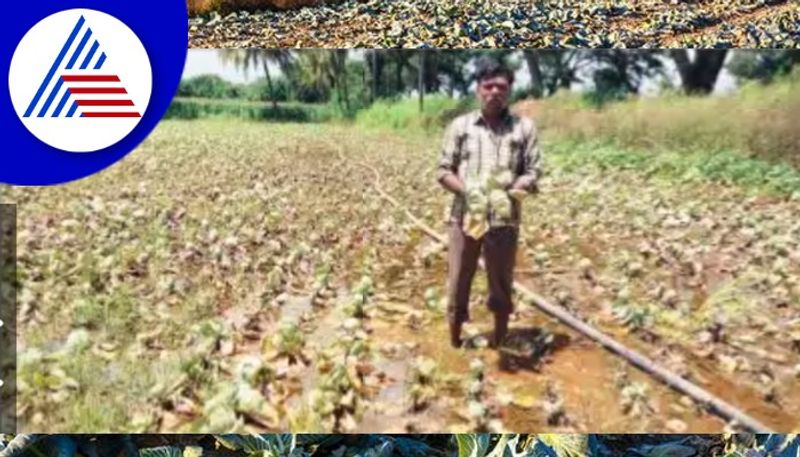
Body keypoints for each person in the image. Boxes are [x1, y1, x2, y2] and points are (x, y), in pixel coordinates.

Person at [436, 56, 541, 349]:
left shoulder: (524, 128)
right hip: (464, 217)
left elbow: (533, 171)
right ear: (478, 89)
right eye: (488, 86)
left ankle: (499, 338)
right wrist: (468, 191)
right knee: (458, 281)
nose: (495, 91)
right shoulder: (460, 126)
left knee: (501, 282)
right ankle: (455, 340)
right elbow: (443, 171)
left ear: (509, 91)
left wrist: (516, 186)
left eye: (501, 86)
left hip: (504, 221)